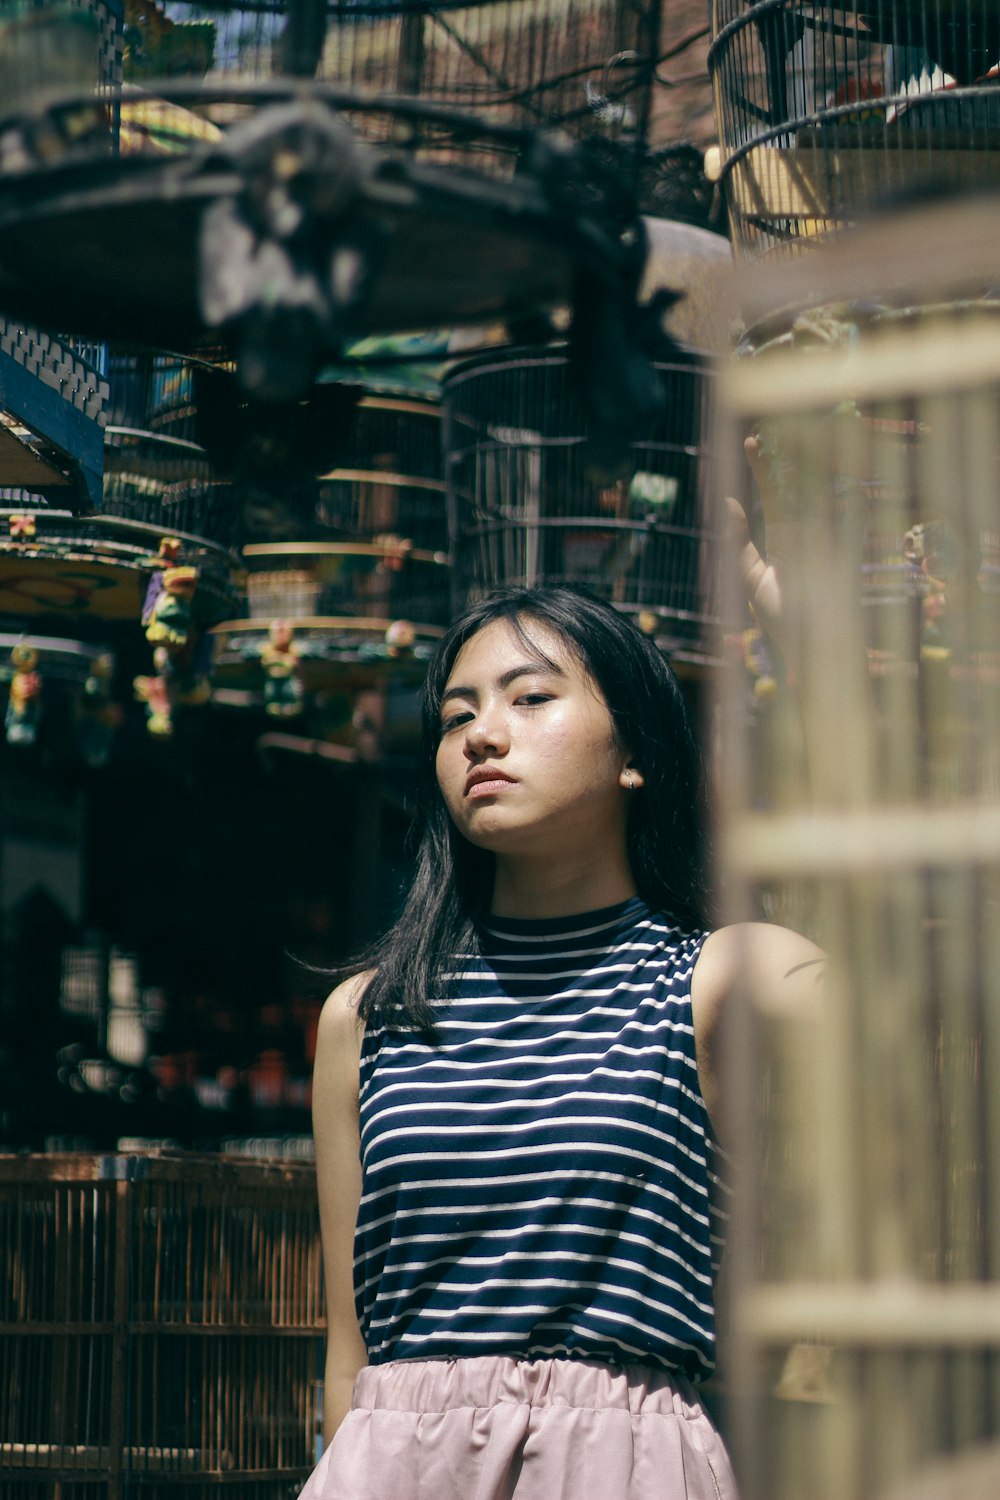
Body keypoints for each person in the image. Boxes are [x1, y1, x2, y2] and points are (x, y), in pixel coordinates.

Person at [299, 580, 821, 1500]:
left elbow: (894, 981)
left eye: (530, 698)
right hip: (392, 1468)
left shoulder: (721, 979)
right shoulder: (369, 1015)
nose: (482, 735)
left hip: (618, 1466)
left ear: (636, 752)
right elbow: (351, 1355)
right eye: (457, 717)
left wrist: (803, 642)